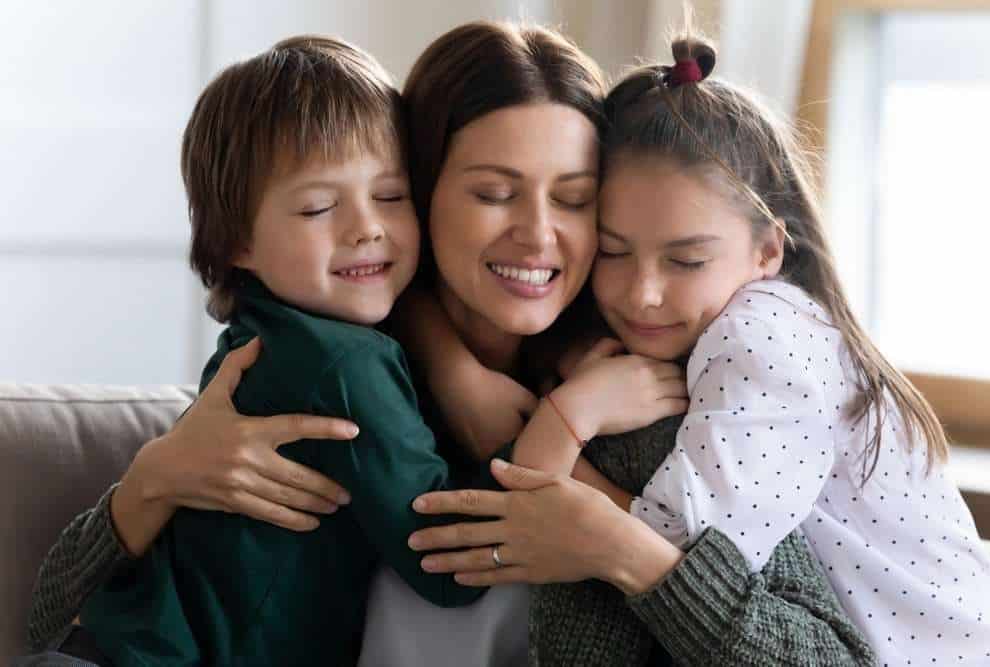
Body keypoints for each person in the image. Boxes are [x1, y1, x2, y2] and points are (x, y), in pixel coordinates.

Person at [28, 21, 874, 667]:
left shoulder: (649, 410)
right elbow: (47, 618)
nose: (539, 234)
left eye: (574, 199)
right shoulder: (318, 372)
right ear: (421, 194)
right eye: (494, 192)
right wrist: (150, 483)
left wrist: (624, 543)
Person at [412, 30, 990, 667]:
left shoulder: (761, 333)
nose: (643, 294)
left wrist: (562, 430)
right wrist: (439, 351)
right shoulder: (654, 329)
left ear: (769, 251)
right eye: (613, 250)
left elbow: (681, 546)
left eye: (686, 259)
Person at [53, 34, 528, 666]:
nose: (367, 226)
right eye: (318, 207)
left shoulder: (266, 335)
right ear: (236, 244)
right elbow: (442, 564)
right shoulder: (344, 365)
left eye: (390, 195)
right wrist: (561, 427)